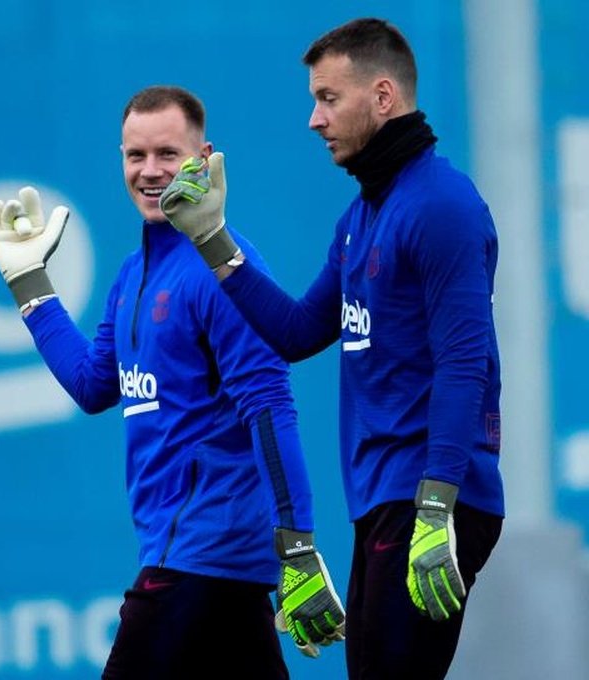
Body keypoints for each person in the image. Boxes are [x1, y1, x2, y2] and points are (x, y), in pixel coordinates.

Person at [159, 18, 504, 680]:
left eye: (327, 98)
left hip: (430, 497)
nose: (314, 119)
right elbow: (295, 333)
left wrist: (437, 508)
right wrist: (211, 239)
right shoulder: (362, 218)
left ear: (382, 97)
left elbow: (466, 364)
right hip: (385, 497)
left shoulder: (442, 206)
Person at [0, 85, 345, 678]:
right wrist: (30, 285)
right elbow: (93, 384)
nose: (150, 172)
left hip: (200, 556)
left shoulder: (223, 268)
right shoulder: (132, 274)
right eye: (136, 156)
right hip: (203, 566)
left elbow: (270, 407)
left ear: (203, 157)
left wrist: (298, 547)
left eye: (168, 155)